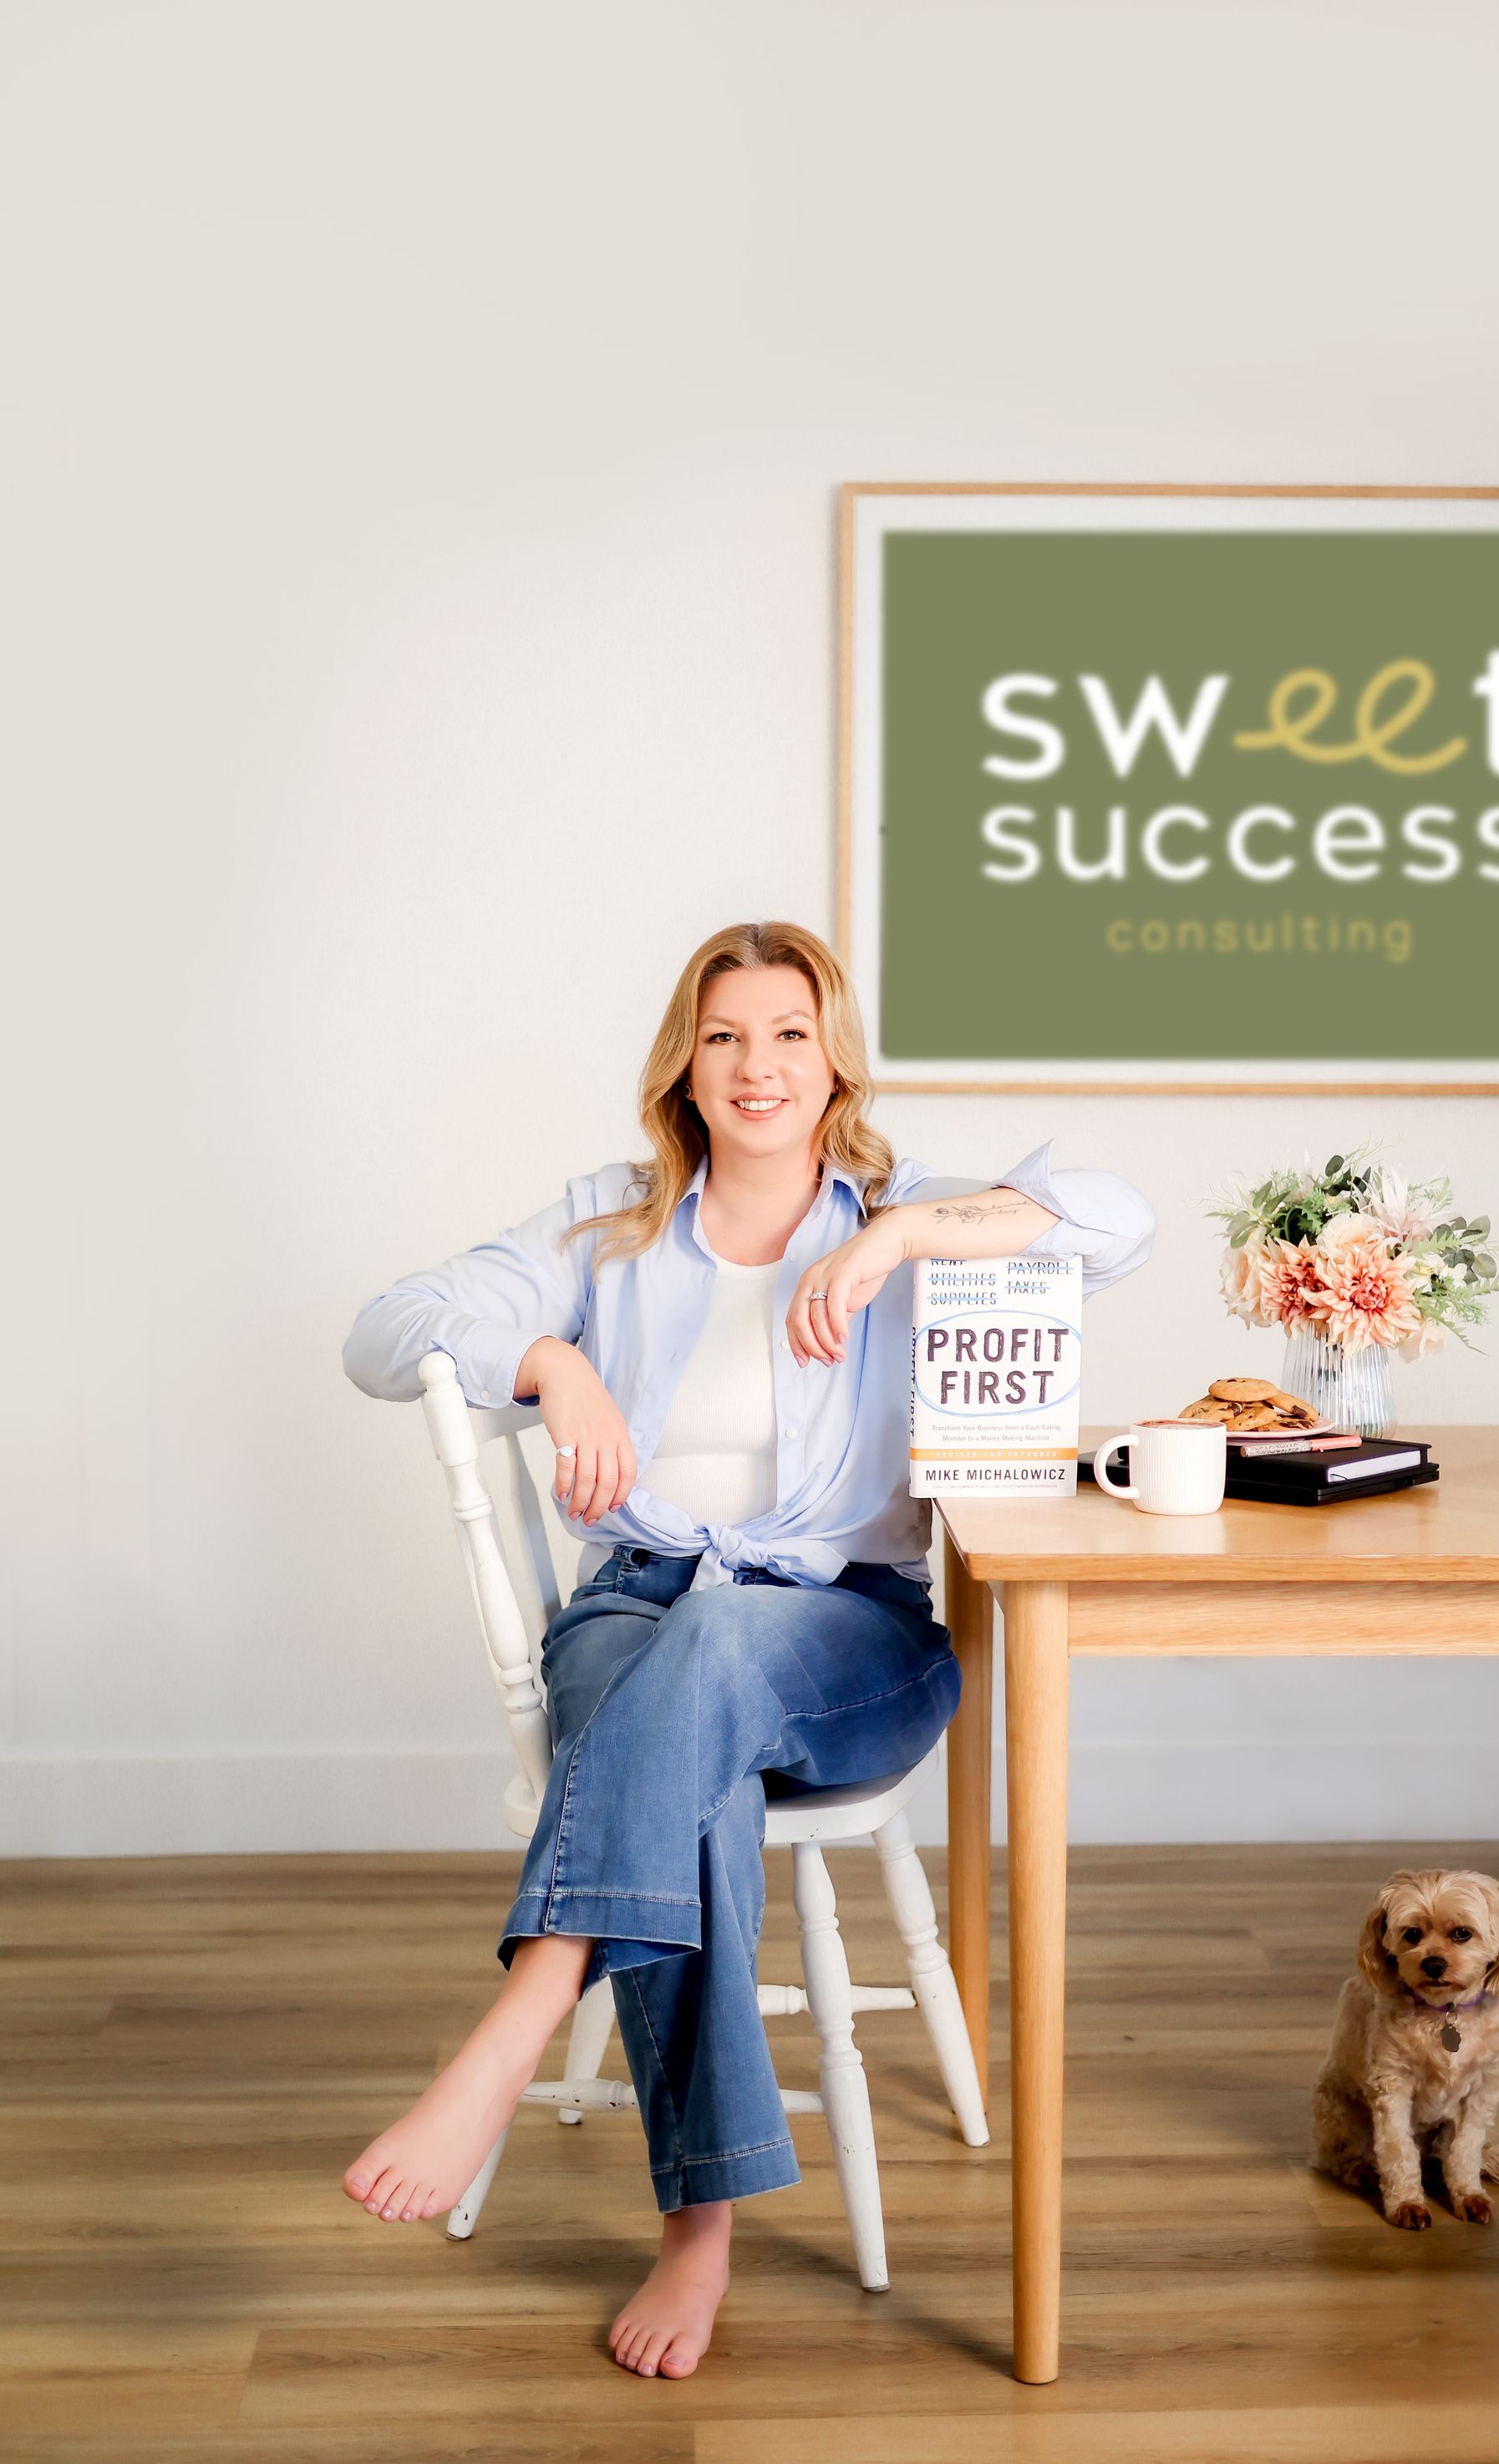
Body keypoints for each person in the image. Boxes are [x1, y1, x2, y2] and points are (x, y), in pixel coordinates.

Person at [339, 918, 1155, 2380]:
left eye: (790, 1031)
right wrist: (554, 1358)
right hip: (633, 1610)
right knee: (686, 1746)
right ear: (686, 1062)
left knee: (714, 1649)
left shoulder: (907, 1211)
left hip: (851, 1632)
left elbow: (1113, 1216)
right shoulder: (614, 1221)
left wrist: (901, 1235)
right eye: (726, 1035)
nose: (758, 1064)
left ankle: (527, 2005)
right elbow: (388, 1329)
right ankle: (698, 2223)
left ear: (834, 1055)